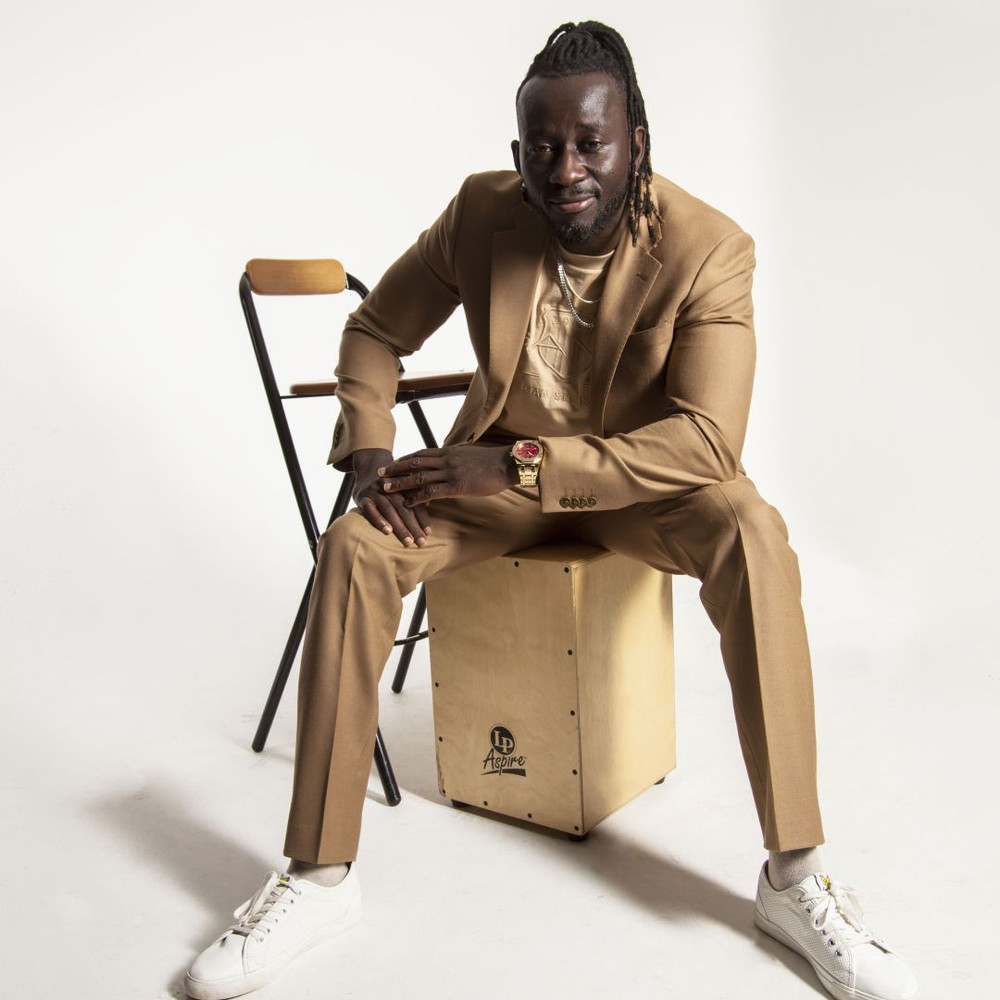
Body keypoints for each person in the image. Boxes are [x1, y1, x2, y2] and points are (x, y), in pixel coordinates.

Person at [186, 21, 918, 1000]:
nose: (564, 168)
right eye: (543, 146)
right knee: (356, 545)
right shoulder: (481, 213)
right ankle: (319, 875)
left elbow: (707, 443)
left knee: (753, 531)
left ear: (636, 144)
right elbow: (374, 330)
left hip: (634, 489)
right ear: (517, 152)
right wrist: (369, 449)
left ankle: (795, 875)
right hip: (495, 491)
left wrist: (520, 465)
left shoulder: (709, 248)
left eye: (589, 143)